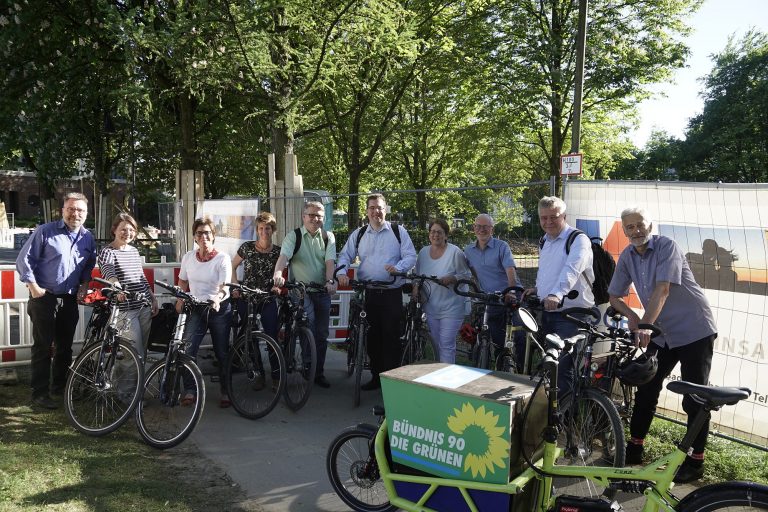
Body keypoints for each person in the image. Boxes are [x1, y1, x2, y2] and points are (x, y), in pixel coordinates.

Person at [608, 206, 717, 484]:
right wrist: (632, 316)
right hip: (661, 331)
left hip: (694, 328)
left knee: (694, 399)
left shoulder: (667, 246)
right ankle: (634, 450)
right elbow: (614, 296)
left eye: (640, 225)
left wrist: (644, 324)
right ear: (624, 231)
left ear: (650, 225)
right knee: (646, 387)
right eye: (629, 227)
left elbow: (663, 289)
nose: (636, 231)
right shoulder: (628, 256)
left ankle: (695, 462)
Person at [16, 192, 96, 409]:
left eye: (80, 210)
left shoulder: (88, 237)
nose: (75, 214)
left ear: (86, 213)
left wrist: (84, 284)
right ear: (62, 210)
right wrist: (33, 287)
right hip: (45, 297)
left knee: (65, 347)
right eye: (71, 209)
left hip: (68, 299)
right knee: (43, 346)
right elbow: (24, 260)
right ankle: (39, 394)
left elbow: (89, 264)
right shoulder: (46, 231)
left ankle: (60, 388)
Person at [336, 193, 417, 390]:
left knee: (391, 337)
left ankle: (391, 383)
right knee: (371, 337)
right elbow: (345, 255)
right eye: (372, 208)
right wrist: (341, 272)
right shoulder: (360, 233)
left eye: (379, 207)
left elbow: (411, 256)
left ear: (385, 209)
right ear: (367, 211)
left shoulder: (398, 231)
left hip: (391, 292)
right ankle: (375, 377)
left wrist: (398, 267)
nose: (376, 212)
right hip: (369, 292)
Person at [524, 196, 594, 397]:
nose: (548, 222)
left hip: (572, 315)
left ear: (564, 216)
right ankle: (550, 416)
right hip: (550, 312)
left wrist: (556, 293)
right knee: (549, 366)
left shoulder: (578, 239)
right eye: (543, 218)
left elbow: (571, 270)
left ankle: (564, 423)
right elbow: (547, 270)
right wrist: (539, 289)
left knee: (563, 371)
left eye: (553, 217)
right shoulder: (544, 240)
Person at [272, 201, 337, 388]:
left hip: (321, 290)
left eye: (319, 216)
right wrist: (278, 274)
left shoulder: (327, 236)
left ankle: (318, 372)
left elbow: (330, 262)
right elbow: (283, 257)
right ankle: (308, 366)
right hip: (300, 291)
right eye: (311, 215)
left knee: (322, 333)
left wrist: (330, 281)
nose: (315, 219)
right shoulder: (294, 236)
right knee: (309, 325)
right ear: (303, 216)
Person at [177, 216, 233, 408]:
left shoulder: (222, 258)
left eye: (207, 233)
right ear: (195, 237)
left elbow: (225, 286)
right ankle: (191, 390)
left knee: (222, 351)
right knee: (188, 349)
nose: (204, 237)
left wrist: (217, 299)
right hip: (196, 308)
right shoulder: (188, 257)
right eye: (199, 233)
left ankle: (226, 391)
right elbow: (183, 281)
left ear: (213, 235)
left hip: (219, 308)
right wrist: (180, 297)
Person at [97, 213, 158, 361]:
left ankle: (139, 383)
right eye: (123, 229)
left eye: (131, 230)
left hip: (143, 306)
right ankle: (126, 385)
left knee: (142, 352)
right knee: (132, 356)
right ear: (114, 230)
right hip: (125, 310)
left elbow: (140, 277)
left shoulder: (134, 251)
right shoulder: (108, 252)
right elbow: (108, 271)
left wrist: (152, 297)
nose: (127, 233)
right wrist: (117, 287)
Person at [464, 214, 523, 367]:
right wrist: (477, 287)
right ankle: (498, 364)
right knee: (495, 338)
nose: (481, 230)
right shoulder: (468, 250)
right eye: (478, 226)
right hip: (490, 299)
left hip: (509, 296)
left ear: (492, 229)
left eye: (485, 227)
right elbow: (471, 271)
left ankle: (523, 367)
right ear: (473, 228)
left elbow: (510, 270)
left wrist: (511, 292)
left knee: (521, 336)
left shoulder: (501, 246)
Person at [413, 219, 472, 363]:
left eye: (439, 232)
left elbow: (467, 275)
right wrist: (415, 288)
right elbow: (417, 275)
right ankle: (439, 374)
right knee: (436, 343)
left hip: (452, 307)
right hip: (431, 306)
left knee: (446, 344)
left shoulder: (455, 252)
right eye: (432, 231)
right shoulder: (423, 253)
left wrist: (453, 278)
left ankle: (446, 380)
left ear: (446, 235)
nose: (435, 235)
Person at [231, 211, 281, 341]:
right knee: (248, 336)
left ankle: (276, 361)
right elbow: (232, 266)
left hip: (268, 298)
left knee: (272, 336)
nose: (264, 231)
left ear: (273, 230)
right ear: (257, 230)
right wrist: (236, 286)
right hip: (247, 297)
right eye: (261, 228)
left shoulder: (278, 251)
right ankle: (254, 360)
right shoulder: (247, 247)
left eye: (268, 228)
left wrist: (277, 286)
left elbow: (282, 272)